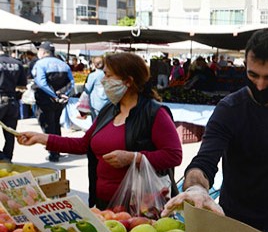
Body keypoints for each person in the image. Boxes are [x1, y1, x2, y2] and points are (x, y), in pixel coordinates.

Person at [161, 27, 268, 232]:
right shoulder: (229, 110)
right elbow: (204, 162)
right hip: (234, 218)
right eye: (253, 75)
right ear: (245, 67)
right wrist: (196, 188)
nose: (260, 86)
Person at [19, 52, 183, 209]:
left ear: (128, 81)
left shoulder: (154, 113)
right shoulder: (109, 111)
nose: (103, 80)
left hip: (139, 204)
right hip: (103, 202)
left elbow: (173, 155)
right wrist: (41, 138)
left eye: (108, 75)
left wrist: (133, 157)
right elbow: (83, 144)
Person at [31, 41, 74, 162]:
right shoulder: (64, 64)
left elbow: (41, 82)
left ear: (43, 52)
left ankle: (53, 153)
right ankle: (57, 149)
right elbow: (71, 83)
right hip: (59, 101)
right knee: (56, 124)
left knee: (47, 126)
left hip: (45, 99)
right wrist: (62, 94)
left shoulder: (40, 64)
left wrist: (53, 95)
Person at [0, 48, 27, 161]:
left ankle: (1, 157)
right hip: (12, 101)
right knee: (10, 133)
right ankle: (7, 159)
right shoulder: (17, 63)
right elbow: (22, 86)